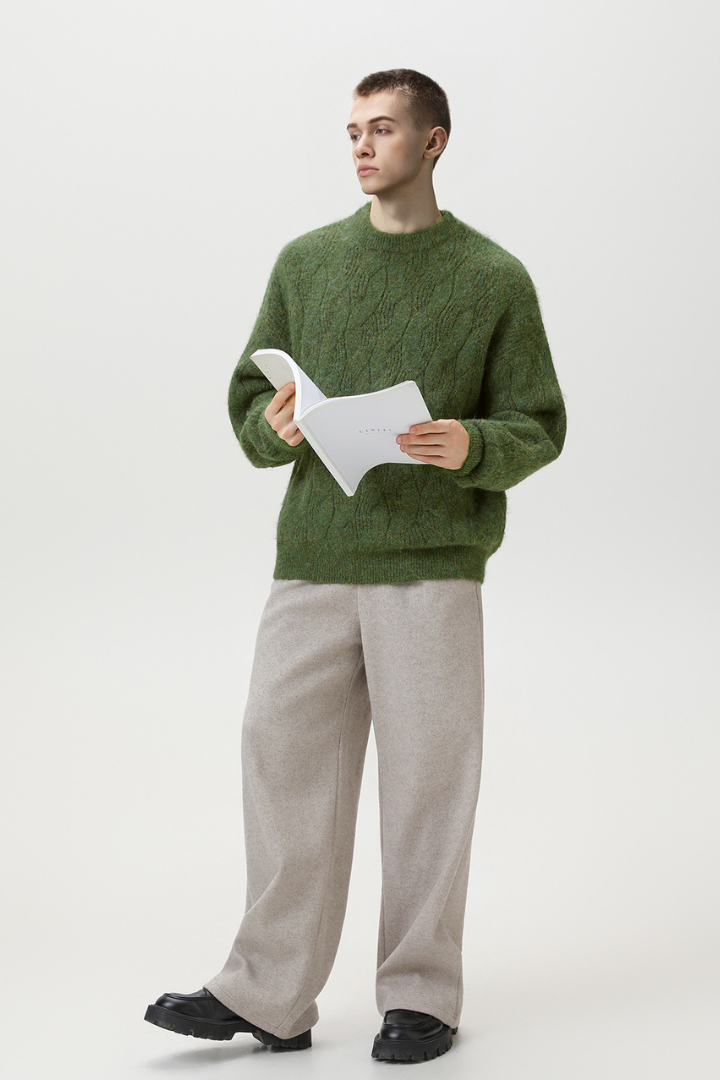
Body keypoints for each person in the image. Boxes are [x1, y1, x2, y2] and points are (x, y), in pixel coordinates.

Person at [144, 67, 566, 1063]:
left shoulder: (493, 277)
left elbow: (539, 422)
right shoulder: (307, 263)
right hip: (315, 556)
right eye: (351, 132)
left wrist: (472, 445)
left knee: (429, 781)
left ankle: (420, 993)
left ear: (434, 141)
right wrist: (275, 424)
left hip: (432, 564)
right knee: (280, 757)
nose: (362, 147)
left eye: (381, 129)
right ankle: (268, 994)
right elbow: (247, 403)